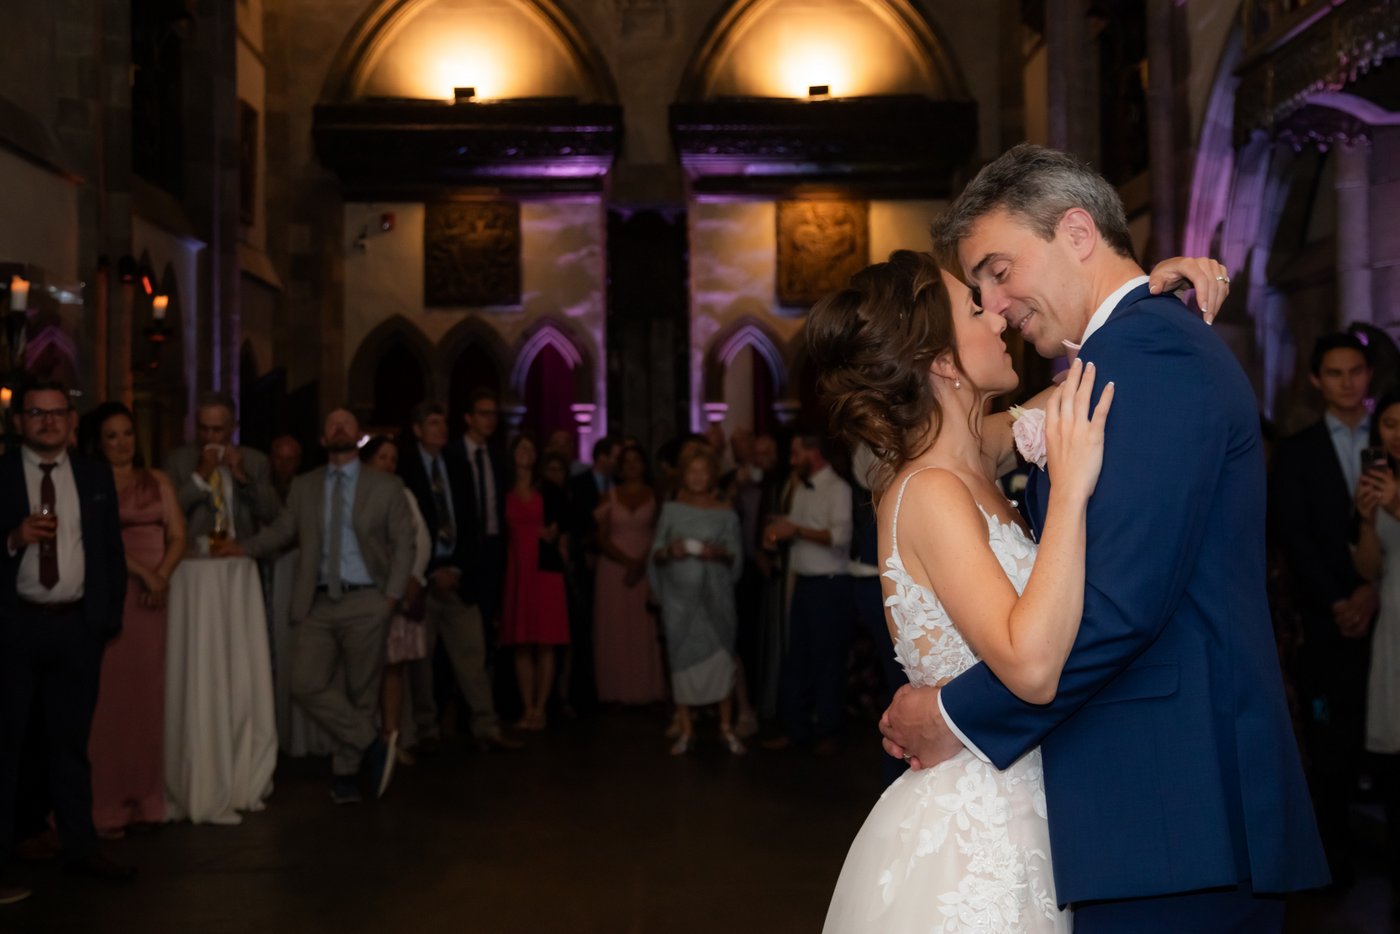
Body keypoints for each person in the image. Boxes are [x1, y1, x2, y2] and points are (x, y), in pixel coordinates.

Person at [875, 145, 1327, 930]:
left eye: (999, 269)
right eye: (978, 290)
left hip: (1174, 805)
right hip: (1158, 808)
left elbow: (1118, 609)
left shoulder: (1145, 356)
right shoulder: (1128, 352)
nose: (997, 302)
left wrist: (953, 716)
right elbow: (951, 444)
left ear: (1077, 233)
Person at [217, 408, 414, 804]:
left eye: (346, 422)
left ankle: (345, 775)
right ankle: (371, 744)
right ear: (323, 440)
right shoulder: (306, 486)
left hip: (368, 599)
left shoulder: (385, 486)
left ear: (358, 435)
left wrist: (390, 597)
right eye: (331, 423)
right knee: (304, 684)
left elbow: (404, 542)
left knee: (361, 691)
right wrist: (243, 548)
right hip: (317, 602)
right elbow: (282, 530)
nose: (339, 426)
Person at [1, 381, 133, 905]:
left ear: (72, 422)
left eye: (58, 414)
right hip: (15, 628)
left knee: (70, 747)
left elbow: (110, 553)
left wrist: (104, 620)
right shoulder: (4, 475)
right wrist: (12, 539)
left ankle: (81, 850)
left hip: (77, 629)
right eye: (37, 413)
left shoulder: (94, 476)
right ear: (19, 422)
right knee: (7, 747)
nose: (48, 422)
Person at [1271, 331, 1378, 887]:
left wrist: (1373, 591)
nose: (1346, 382)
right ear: (1317, 380)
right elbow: (1295, 534)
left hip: (1387, 609)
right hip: (1326, 617)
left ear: (1369, 375)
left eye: (1355, 371)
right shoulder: (1298, 449)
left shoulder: (1392, 436)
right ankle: (1335, 866)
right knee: (1331, 747)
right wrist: (1340, 600)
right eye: (1334, 373)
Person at [82, 402, 186, 836]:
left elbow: (178, 535)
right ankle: (103, 803)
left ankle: (146, 799)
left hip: (154, 600)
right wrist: (144, 574)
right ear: (99, 442)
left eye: (127, 433)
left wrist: (161, 575)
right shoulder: (91, 481)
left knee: (149, 696)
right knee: (108, 700)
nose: (122, 443)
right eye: (112, 435)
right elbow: (94, 541)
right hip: (114, 591)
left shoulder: (158, 480)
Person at [398, 402, 521, 755]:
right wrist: (429, 571)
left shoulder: (456, 464)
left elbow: (471, 521)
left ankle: (486, 725)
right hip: (422, 578)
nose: (441, 429)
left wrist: (457, 568)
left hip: (458, 576)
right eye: (433, 423)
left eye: (443, 423)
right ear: (418, 429)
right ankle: (426, 729)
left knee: (472, 654)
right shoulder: (406, 467)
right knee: (422, 663)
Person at [649, 444, 745, 755]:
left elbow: (737, 558)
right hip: (679, 603)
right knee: (682, 664)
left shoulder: (726, 513)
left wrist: (719, 553)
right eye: (692, 472)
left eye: (703, 472)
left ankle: (726, 728)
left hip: (716, 600)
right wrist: (669, 550)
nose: (698, 478)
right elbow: (655, 553)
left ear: (712, 476)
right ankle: (686, 729)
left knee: (720, 662)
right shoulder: (671, 509)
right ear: (683, 476)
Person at [762, 433, 854, 756]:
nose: (792, 459)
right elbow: (793, 528)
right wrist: (779, 529)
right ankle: (795, 729)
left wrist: (796, 530)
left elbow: (840, 538)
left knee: (827, 661)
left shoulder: (838, 488)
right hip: (801, 583)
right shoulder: (800, 486)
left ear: (813, 453)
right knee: (795, 658)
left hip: (830, 586)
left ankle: (830, 731)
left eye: (796, 452)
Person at [1348, 388, 1400, 920]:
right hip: (1392, 628)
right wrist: (1367, 518)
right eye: (1388, 424)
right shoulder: (1378, 483)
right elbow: (1368, 569)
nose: (1396, 434)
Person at [359, 436, 430, 766]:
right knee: (364, 669)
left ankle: (391, 739)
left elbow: (421, 538)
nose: (388, 464)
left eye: (392, 458)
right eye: (382, 457)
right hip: (368, 592)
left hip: (400, 591)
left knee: (393, 669)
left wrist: (413, 576)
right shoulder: (358, 495)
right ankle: (362, 740)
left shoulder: (404, 495)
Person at [500, 435, 571, 730]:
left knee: (545, 642)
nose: (526, 453)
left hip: (544, 570)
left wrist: (556, 534)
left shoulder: (548, 490)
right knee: (521, 642)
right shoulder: (502, 491)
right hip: (516, 568)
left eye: (531, 447)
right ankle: (526, 707)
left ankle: (540, 709)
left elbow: (564, 523)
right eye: (521, 447)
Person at [593, 444, 666, 704]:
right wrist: (627, 562)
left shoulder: (655, 496)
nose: (632, 466)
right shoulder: (609, 497)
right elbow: (601, 538)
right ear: (620, 468)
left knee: (644, 628)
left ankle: (647, 689)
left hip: (647, 566)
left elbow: (661, 532)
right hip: (614, 570)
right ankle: (616, 690)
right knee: (617, 628)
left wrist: (641, 561)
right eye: (627, 461)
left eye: (637, 460)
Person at [163, 391, 280, 548]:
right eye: (203, 428)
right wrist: (199, 476)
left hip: (240, 554)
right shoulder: (177, 460)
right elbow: (167, 514)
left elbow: (271, 514)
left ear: (233, 427)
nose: (209, 436)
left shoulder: (256, 461)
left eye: (217, 430)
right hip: (193, 556)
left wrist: (243, 478)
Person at [268, 434, 303, 506]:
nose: (284, 464)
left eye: (289, 460)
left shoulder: (304, 491)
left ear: (297, 462)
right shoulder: (261, 487)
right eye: (279, 458)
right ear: (271, 459)